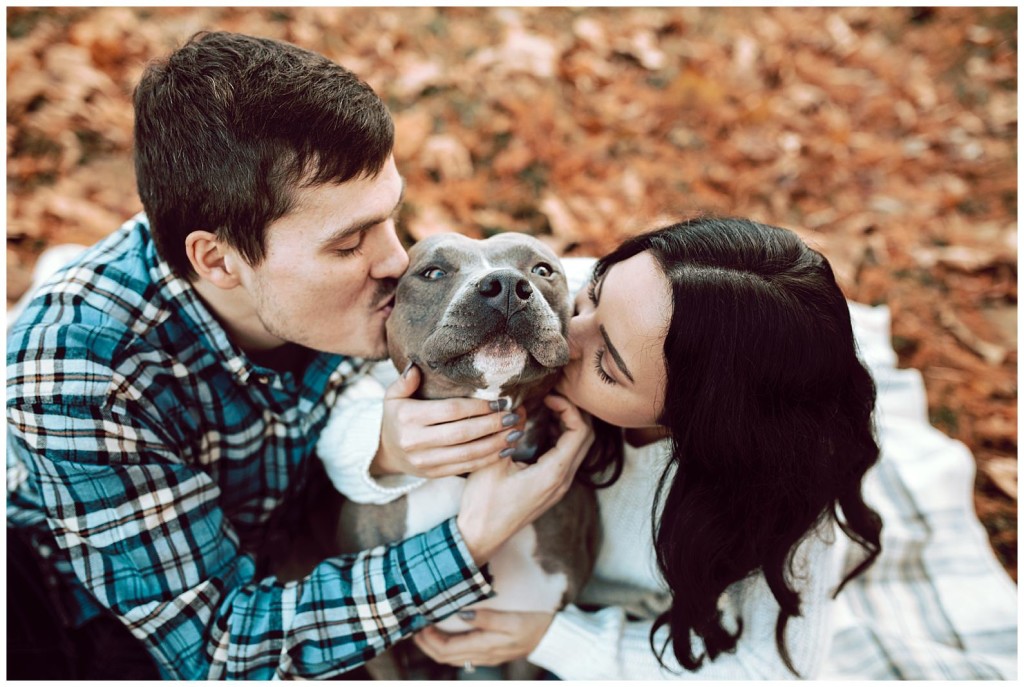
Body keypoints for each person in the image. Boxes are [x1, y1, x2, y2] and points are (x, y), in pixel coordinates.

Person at [5, 31, 591, 680]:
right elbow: (220, 651)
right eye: (349, 244)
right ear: (218, 260)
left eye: (390, 217)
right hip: (88, 622)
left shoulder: (321, 276)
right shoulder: (77, 373)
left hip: (294, 559)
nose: (395, 261)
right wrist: (468, 542)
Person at [326, 216, 883, 679]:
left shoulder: (783, 496)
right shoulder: (552, 295)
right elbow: (363, 375)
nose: (564, 335)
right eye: (589, 296)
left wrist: (554, 637)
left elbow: (771, 672)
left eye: (607, 365)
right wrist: (386, 448)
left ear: (691, 423)